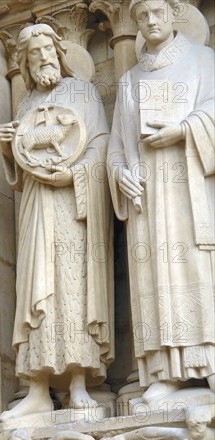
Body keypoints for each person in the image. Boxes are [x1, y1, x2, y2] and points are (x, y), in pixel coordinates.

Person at [0, 24, 113, 420]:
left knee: (71, 284)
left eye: (48, 49)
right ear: (26, 63)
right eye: (34, 53)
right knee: (35, 287)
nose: (43, 57)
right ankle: (36, 389)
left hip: (72, 204)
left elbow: (101, 144)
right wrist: (7, 148)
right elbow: (20, 165)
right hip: (36, 205)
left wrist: (76, 174)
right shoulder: (26, 102)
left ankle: (79, 384)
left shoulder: (83, 93)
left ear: (60, 53)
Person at [107, 0, 215, 403]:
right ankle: (166, 372)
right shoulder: (130, 79)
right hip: (147, 200)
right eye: (142, 16)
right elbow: (116, 146)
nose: (151, 21)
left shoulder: (204, 61)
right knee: (155, 277)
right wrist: (121, 175)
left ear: (173, 16)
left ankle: (208, 365)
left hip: (190, 188)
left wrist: (183, 130)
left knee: (195, 266)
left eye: (158, 13)